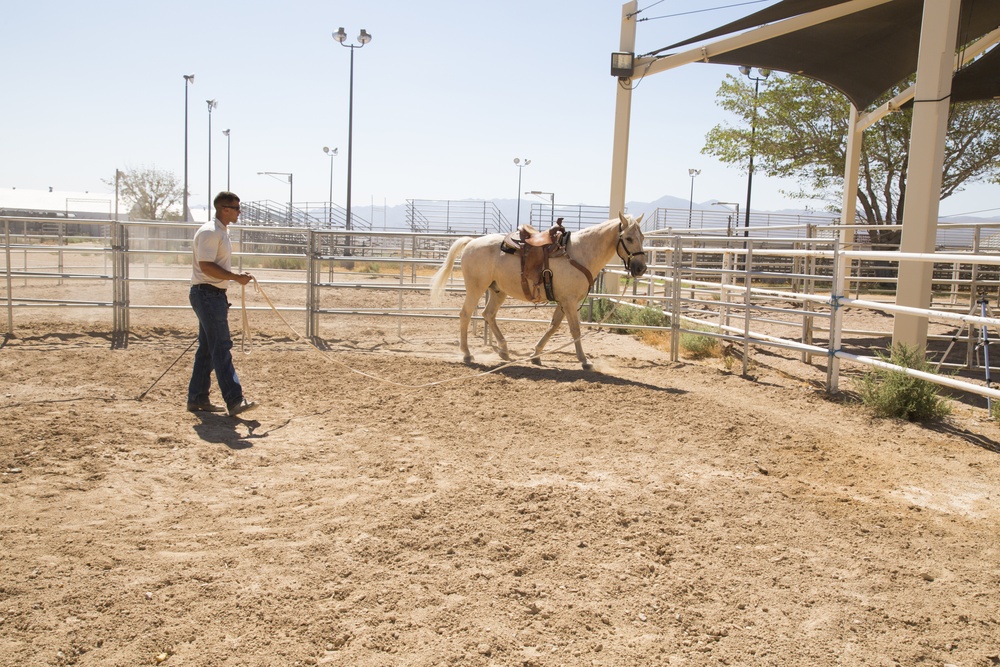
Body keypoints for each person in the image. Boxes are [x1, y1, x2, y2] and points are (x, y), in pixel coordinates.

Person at [186, 191, 258, 417]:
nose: (239, 212)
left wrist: (234, 277)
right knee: (221, 347)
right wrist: (235, 277)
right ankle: (234, 400)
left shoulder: (220, 232)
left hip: (212, 294)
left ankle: (197, 397)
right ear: (224, 209)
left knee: (208, 348)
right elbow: (206, 266)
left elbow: (211, 266)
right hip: (208, 294)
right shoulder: (210, 232)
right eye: (236, 208)